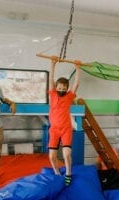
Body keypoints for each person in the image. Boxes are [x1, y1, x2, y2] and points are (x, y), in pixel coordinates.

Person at [48, 56, 81, 186]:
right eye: (59, 88)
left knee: (67, 154)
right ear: (56, 87)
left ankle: (68, 173)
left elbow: (76, 83)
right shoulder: (52, 94)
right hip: (54, 130)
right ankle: (57, 173)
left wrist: (78, 68)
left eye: (63, 88)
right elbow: (51, 78)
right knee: (52, 156)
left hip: (66, 129)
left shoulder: (69, 96)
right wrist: (53, 64)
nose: (61, 90)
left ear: (66, 88)